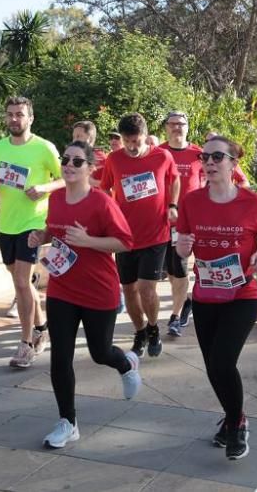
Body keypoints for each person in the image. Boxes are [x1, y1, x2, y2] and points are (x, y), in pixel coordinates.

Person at [27, 141, 141, 449]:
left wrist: (89, 240)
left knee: (99, 352)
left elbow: (125, 242)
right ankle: (68, 422)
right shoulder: (56, 198)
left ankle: (126, 364)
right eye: (65, 159)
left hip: (97, 289)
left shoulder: (101, 202)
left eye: (77, 162)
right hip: (62, 288)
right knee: (60, 358)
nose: (68, 165)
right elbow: (55, 229)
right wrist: (42, 235)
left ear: (91, 169)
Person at [176, 136, 257, 460]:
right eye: (204, 157)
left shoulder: (250, 202)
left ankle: (236, 424)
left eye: (217, 157)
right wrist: (183, 247)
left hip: (242, 293)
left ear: (233, 163)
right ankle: (232, 419)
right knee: (213, 367)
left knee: (222, 361)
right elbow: (182, 247)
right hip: (206, 294)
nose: (208, 162)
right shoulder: (192, 202)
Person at [0, 96, 63, 368]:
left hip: (34, 222)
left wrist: (43, 189)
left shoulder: (44, 148)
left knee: (20, 282)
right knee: (23, 282)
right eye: (10, 114)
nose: (14, 119)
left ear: (30, 118)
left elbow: (65, 179)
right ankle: (42, 326)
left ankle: (26, 343)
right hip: (7, 223)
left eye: (20, 114)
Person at [100, 113, 179, 357]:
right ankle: (140, 330)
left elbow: (174, 179)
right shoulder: (114, 159)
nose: (132, 147)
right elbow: (104, 188)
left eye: (136, 141)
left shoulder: (162, 156)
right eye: (127, 141)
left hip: (155, 234)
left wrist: (172, 205)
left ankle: (153, 327)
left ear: (145, 136)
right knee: (129, 290)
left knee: (147, 289)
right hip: (125, 237)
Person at [160, 111, 201, 336]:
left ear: (188, 127)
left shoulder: (199, 155)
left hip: (187, 223)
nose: (177, 127)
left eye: (181, 124)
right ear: (166, 127)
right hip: (161, 221)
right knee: (171, 269)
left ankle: (175, 316)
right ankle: (185, 302)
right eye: (172, 124)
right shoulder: (159, 153)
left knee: (181, 266)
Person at [72, 120, 106, 187]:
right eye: (73, 137)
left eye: (78, 136)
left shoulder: (102, 159)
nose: (74, 140)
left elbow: (113, 186)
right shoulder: (71, 157)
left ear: (89, 138)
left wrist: (92, 182)